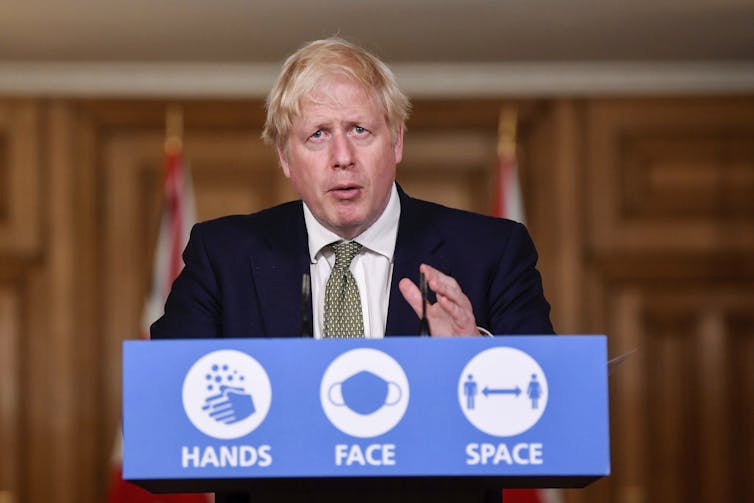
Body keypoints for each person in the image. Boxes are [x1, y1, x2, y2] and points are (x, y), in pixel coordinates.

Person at [152, 37, 554, 502]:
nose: (342, 156)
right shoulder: (222, 255)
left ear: (397, 141)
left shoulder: (492, 250)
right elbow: (165, 403)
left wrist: (479, 360)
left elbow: (549, 413)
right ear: (285, 157)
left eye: (360, 130)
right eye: (317, 134)